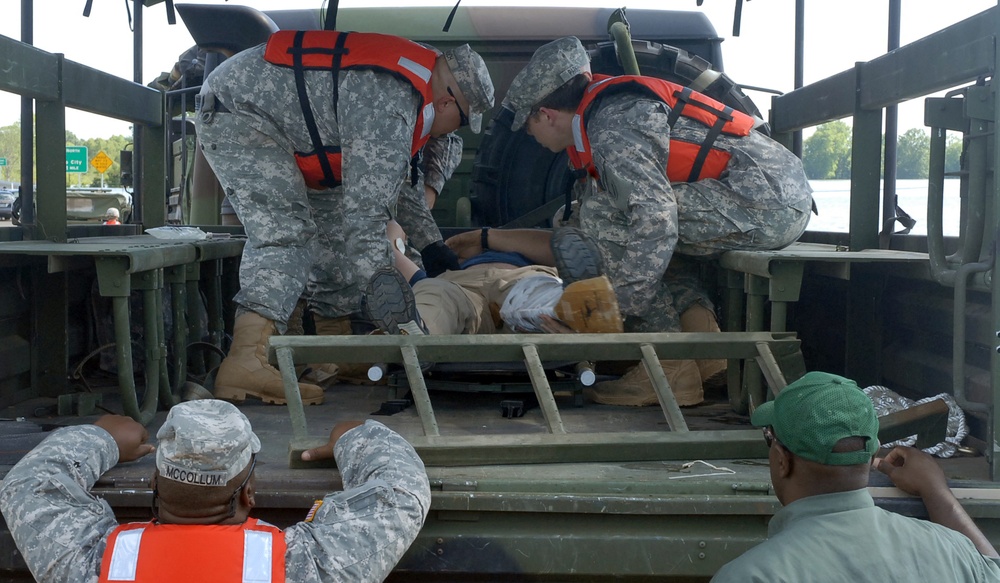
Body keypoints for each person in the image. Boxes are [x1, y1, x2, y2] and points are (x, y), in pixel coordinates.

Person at [452, 35, 812, 405]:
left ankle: (668, 371)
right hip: (762, 198)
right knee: (597, 221)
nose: (531, 136)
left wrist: (611, 316)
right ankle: (704, 353)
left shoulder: (612, 125)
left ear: (545, 115)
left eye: (529, 127)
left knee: (615, 220)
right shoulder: (598, 120)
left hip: (768, 202)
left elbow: (654, 219)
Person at [195, 30, 495, 406]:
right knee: (287, 233)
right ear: (450, 103)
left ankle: (329, 350)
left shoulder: (409, 90)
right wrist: (395, 308)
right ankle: (245, 360)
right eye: (463, 122)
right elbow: (366, 222)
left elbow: (394, 186)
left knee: (331, 232)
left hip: (283, 126)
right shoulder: (392, 102)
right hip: (241, 112)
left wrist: (432, 245)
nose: (454, 131)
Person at [0, 399, 430, 583]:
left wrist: (100, 438)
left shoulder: (90, 564)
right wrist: (354, 437)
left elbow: (28, 486)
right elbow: (401, 492)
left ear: (154, 481)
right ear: (249, 493)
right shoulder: (305, 568)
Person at [711, 371, 1000, 582]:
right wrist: (938, 492)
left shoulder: (752, 576)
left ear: (781, 460)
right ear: (873, 450)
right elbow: (990, 570)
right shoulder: (953, 551)